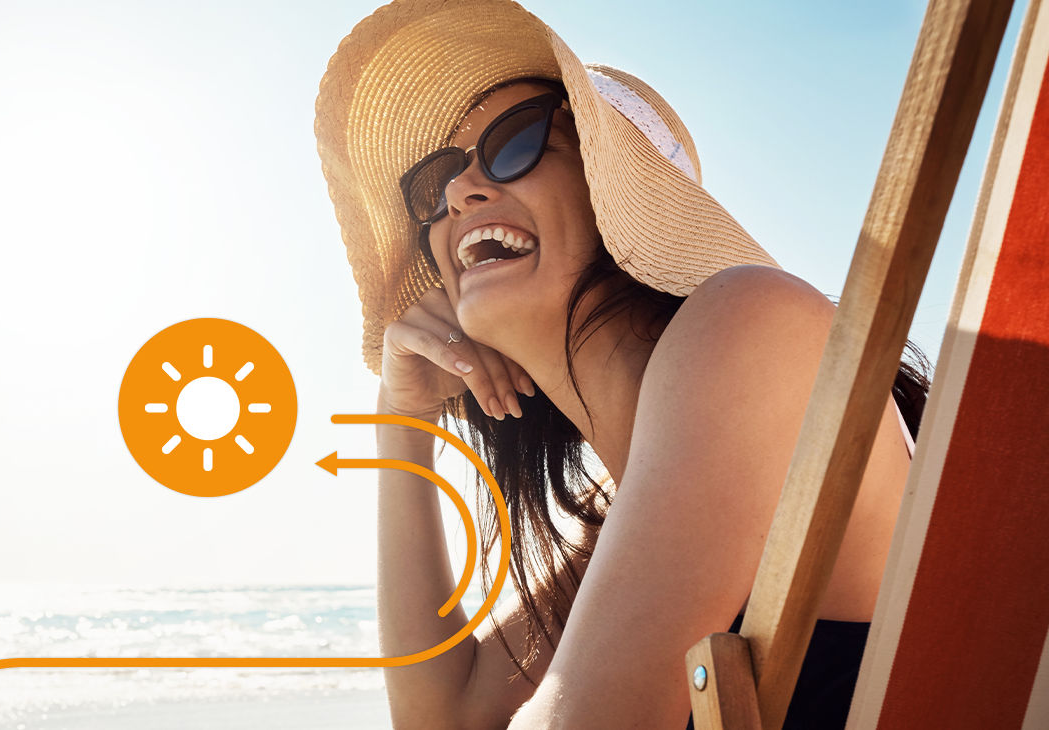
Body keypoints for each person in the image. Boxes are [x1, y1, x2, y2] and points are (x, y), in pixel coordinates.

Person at [315, 1, 929, 727]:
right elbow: (441, 720)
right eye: (435, 182)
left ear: (620, 194)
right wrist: (403, 420)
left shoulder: (755, 322)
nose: (456, 193)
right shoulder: (626, 515)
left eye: (515, 143)